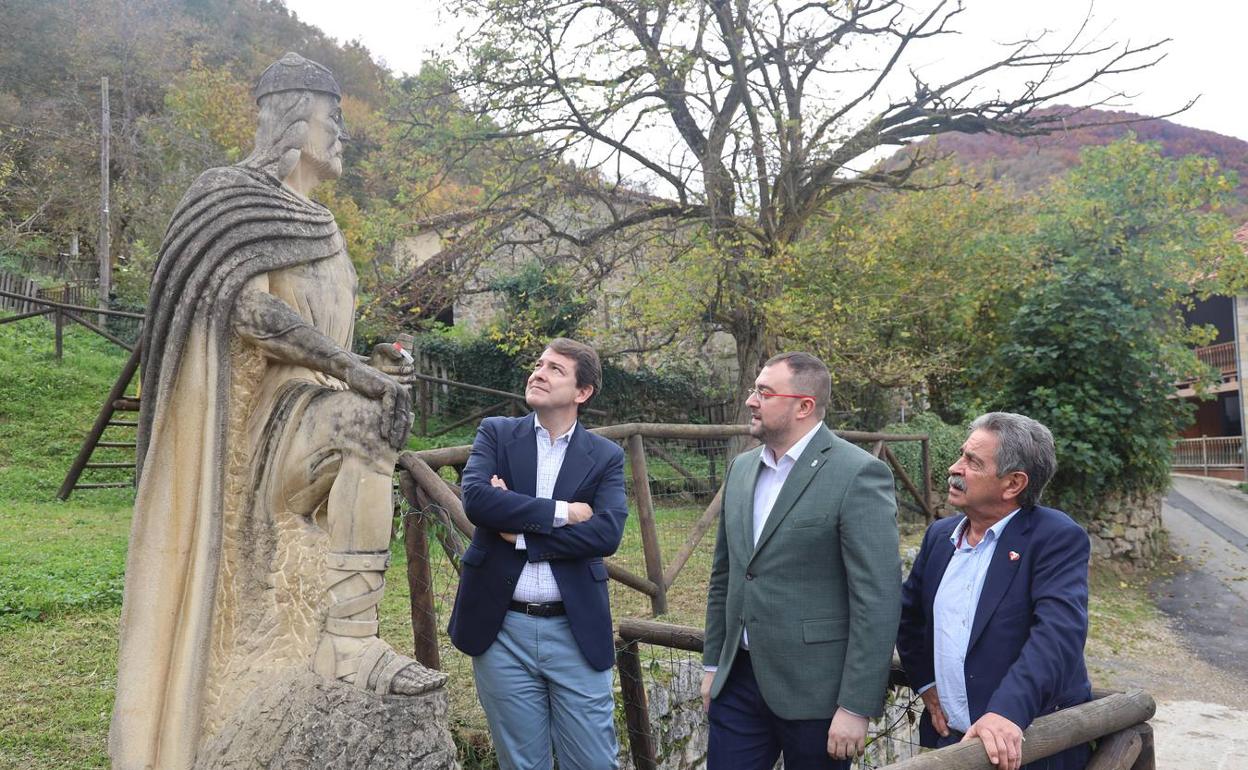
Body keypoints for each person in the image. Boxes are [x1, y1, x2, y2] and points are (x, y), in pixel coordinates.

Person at [111, 53, 442, 770]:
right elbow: (244, 308)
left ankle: (348, 630)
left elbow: (333, 337)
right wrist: (346, 367)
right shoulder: (229, 196)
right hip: (257, 422)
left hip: (311, 408)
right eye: (336, 121)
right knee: (362, 427)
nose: (345, 137)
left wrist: (373, 369)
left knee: (372, 421)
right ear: (296, 119)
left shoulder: (326, 228)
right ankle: (349, 641)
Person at [702, 352, 902, 769]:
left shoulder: (857, 473)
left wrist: (856, 705)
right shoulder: (740, 468)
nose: (750, 401)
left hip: (818, 695)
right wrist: (711, 664)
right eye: (754, 390)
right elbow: (726, 574)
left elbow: (877, 600)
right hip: (737, 681)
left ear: (804, 406)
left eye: (764, 392)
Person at [448, 338, 628, 769]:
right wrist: (564, 512)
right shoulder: (496, 433)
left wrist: (522, 535)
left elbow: (606, 533)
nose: (538, 373)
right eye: (539, 364)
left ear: (582, 393)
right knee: (521, 763)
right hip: (501, 628)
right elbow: (477, 501)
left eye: (555, 369)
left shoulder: (605, 456)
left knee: (593, 762)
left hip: (575, 630)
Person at [897, 412, 1092, 770]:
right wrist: (926, 683)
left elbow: (1057, 635)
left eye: (972, 462)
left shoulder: (1054, 537)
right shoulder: (940, 537)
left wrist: (1007, 712)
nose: (955, 468)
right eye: (961, 455)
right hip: (955, 743)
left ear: (1013, 483)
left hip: (1029, 746)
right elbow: (908, 618)